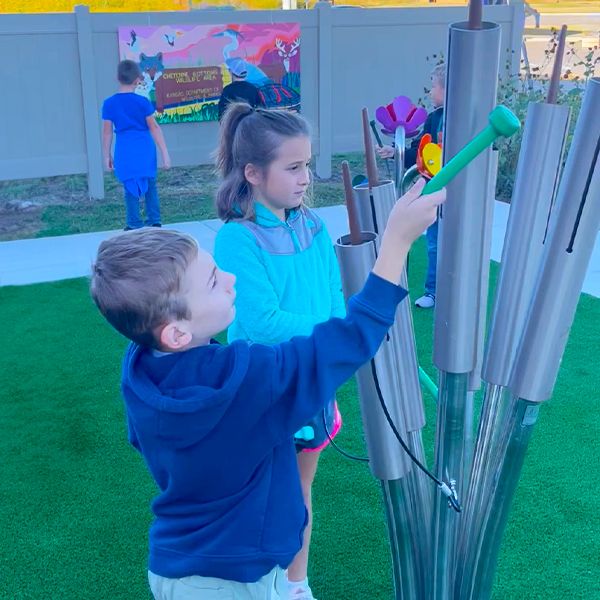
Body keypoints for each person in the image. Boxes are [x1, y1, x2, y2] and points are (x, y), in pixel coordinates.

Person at [89, 178, 445, 600]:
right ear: (177, 334)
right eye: (212, 281)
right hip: (236, 579)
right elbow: (350, 339)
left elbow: (140, 439)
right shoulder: (249, 379)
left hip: (175, 568)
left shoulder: (140, 370)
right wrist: (397, 242)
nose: (230, 278)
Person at [212, 103, 344, 600]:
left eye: (307, 165)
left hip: (310, 384)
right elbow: (263, 323)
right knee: (261, 500)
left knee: (299, 495)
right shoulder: (236, 237)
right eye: (293, 167)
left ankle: (295, 585)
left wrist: (332, 344)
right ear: (252, 173)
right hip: (262, 390)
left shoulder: (312, 225)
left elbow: (334, 296)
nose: (305, 178)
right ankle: (259, 584)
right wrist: (336, 333)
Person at [376, 62, 445, 309]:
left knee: (454, 242)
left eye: (433, 85)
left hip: (456, 191)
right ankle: (433, 291)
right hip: (434, 190)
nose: (430, 91)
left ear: (447, 89)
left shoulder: (459, 119)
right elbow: (420, 151)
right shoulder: (434, 118)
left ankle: (450, 290)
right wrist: (395, 152)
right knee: (435, 242)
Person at [102, 59, 171, 231]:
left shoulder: (109, 103)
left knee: (129, 184)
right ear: (137, 80)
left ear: (118, 78)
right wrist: (165, 153)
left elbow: (107, 132)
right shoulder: (142, 102)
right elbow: (154, 127)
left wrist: (106, 155)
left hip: (124, 147)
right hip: (144, 146)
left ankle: (133, 222)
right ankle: (154, 220)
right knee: (150, 183)